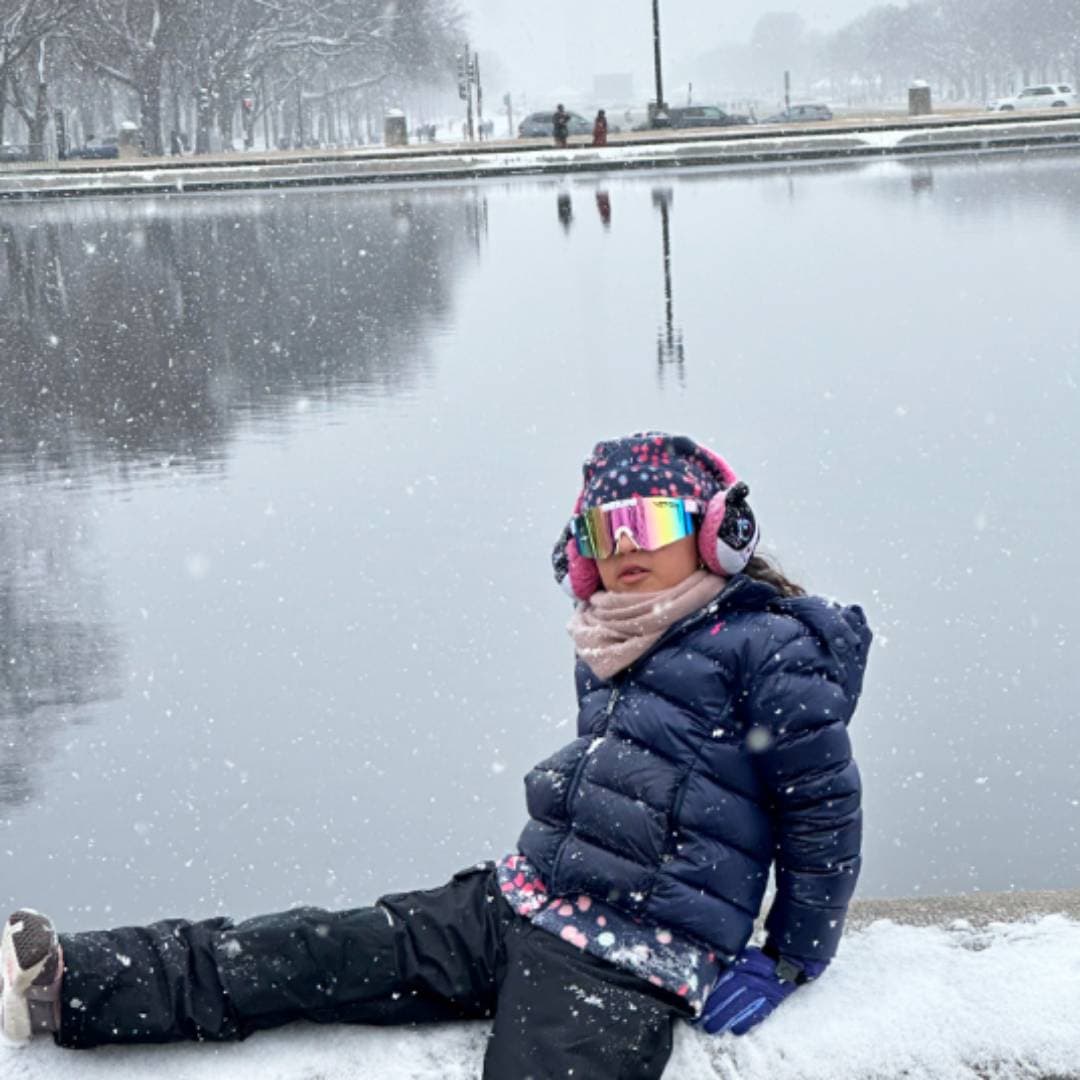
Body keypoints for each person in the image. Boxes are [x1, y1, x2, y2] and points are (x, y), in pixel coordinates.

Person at [0, 433, 870, 1079]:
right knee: (310, 952)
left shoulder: (767, 648)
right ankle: (64, 977)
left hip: (629, 956)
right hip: (517, 903)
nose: (626, 547)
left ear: (717, 531)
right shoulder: (615, 639)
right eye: (603, 533)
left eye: (647, 521)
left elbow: (822, 811)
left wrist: (793, 954)